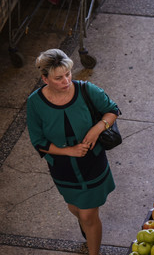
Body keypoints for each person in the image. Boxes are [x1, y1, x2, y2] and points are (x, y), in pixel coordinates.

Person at [26, 49, 120, 255]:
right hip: (62, 167)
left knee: (87, 215)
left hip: (93, 162)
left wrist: (98, 128)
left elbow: (112, 110)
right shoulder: (35, 103)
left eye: (68, 74)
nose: (66, 81)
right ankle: (87, 224)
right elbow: (38, 141)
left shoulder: (87, 90)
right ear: (45, 79)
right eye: (58, 78)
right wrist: (69, 151)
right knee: (75, 208)